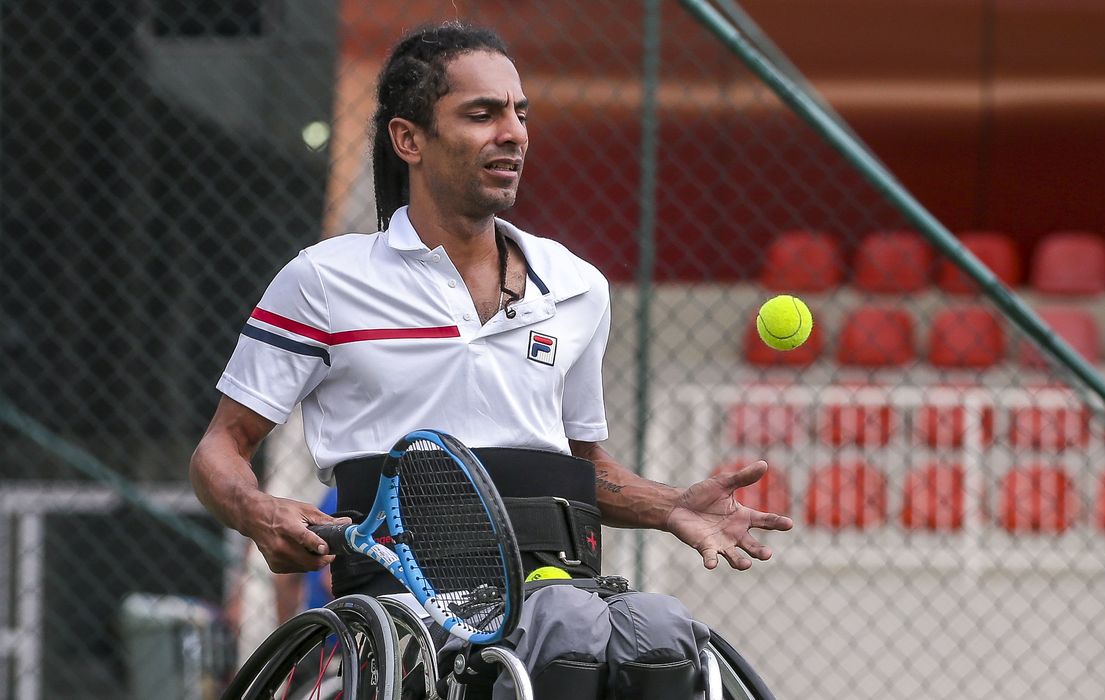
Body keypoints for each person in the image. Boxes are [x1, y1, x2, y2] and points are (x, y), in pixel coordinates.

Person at [190, 22, 793, 699]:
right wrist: (257, 510)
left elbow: (586, 469)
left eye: (519, 113)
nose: (514, 133)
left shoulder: (577, 287)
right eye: (483, 114)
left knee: (660, 630)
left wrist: (670, 504)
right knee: (565, 632)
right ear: (408, 139)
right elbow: (221, 448)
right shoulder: (323, 282)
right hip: (406, 598)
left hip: (560, 583)